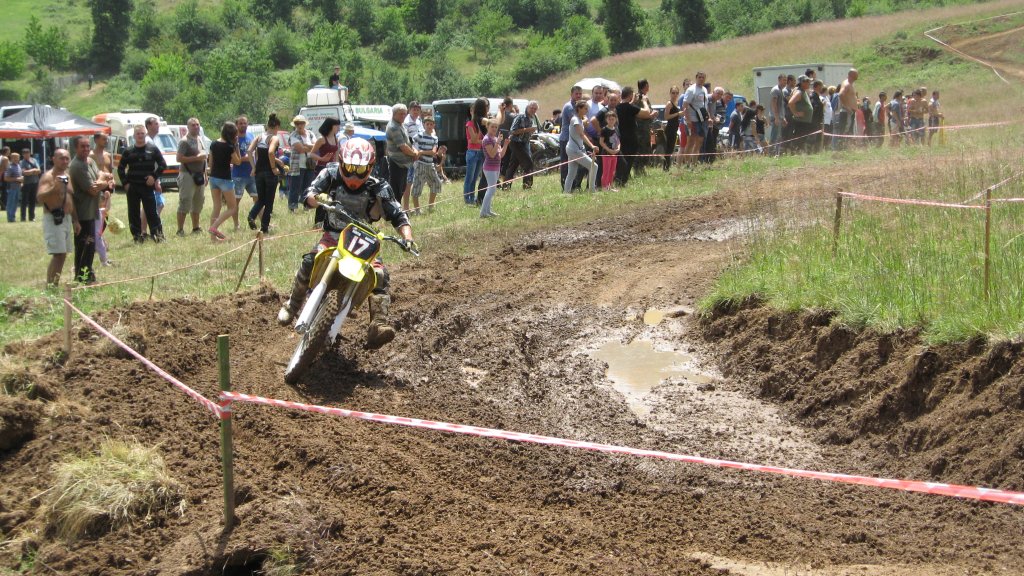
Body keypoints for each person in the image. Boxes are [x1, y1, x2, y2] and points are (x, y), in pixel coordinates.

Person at [277, 138, 416, 349]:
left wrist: (407, 237)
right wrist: (318, 198)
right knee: (309, 261)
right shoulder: (330, 173)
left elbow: (398, 215)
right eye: (349, 168)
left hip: (364, 240)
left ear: (370, 167)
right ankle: (293, 304)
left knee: (380, 275)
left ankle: (378, 324)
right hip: (333, 236)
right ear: (342, 162)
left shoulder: (379, 186)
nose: (353, 175)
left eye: (359, 170)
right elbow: (308, 194)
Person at [69, 136, 112, 282]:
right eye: (82, 146)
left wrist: (100, 180)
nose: (86, 149)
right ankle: (83, 276)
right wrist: (104, 182)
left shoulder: (89, 161)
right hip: (82, 213)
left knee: (89, 244)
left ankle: (85, 273)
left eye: (88, 146)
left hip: (92, 210)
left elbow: (100, 174)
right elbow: (92, 190)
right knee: (85, 244)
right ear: (76, 148)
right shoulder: (77, 166)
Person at [118, 124, 167, 243]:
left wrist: (154, 177)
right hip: (133, 186)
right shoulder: (128, 151)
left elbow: (162, 164)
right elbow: (120, 168)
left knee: (152, 212)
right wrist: (125, 183)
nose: (140, 136)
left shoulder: (152, 149)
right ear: (134, 136)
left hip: (147, 187)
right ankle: (137, 236)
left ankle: (158, 236)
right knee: (133, 212)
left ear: (145, 134)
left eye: (142, 133)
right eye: (138, 134)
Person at [37, 149, 75, 287]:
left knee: (62, 254)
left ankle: (54, 284)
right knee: (58, 254)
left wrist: (76, 221)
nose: (65, 161)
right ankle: (50, 286)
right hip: (54, 219)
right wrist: (54, 188)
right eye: (61, 158)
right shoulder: (48, 177)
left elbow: (70, 198)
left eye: (67, 158)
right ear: (53, 159)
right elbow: (40, 198)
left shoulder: (67, 176)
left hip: (67, 218)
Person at [246, 114, 282, 234]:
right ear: (276, 126)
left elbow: (249, 151)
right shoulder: (274, 138)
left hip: (259, 171)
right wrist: (274, 168)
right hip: (269, 173)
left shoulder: (259, 137)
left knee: (261, 199)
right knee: (269, 202)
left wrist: (253, 167)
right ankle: (264, 228)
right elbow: (271, 152)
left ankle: (251, 216)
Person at [208, 121, 242, 241]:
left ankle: (213, 238)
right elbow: (238, 161)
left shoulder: (213, 144)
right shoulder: (229, 147)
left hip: (213, 178)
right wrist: (236, 146)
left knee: (216, 207)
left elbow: (210, 163)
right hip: (225, 179)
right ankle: (214, 227)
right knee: (232, 208)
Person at [175, 117, 207, 236]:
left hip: (199, 175)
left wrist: (205, 175)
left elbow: (204, 158)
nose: (196, 127)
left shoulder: (200, 139)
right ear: (188, 127)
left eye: (197, 124)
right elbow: (179, 158)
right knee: (185, 202)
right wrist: (196, 158)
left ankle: (196, 228)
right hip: (187, 175)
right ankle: (180, 230)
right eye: (193, 125)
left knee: (198, 203)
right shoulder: (184, 141)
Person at [385, 103, 419, 213]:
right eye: (401, 114)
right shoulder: (394, 127)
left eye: (405, 114)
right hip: (396, 163)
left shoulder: (401, 125)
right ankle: (395, 213)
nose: (403, 116)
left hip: (403, 164)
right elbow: (403, 147)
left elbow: (407, 142)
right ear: (394, 114)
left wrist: (414, 151)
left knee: (401, 189)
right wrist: (414, 154)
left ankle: (398, 212)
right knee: (396, 191)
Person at [564, 100, 597, 194]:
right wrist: (592, 146)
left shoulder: (578, 119)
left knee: (571, 173)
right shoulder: (575, 120)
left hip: (573, 149)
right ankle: (592, 190)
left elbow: (582, 123)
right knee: (594, 167)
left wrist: (584, 120)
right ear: (579, 109)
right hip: (574, 150)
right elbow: (582, 135)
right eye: (585, 108)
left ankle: (566, 193)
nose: (587, 110)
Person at [504, 100, 538, 190]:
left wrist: (530, 132)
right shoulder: (520, 116)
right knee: (528, 163)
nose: (533, 110)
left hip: (524, 143)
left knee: (513, 165)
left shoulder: (532, 118)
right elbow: (513, 131)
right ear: (527, 107)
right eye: (532, 108)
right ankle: (527, 186)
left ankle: (506, 186)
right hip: (516, 143)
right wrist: (528, 129)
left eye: (535, 109)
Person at [411, 116, 442, 213]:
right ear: (424, 125)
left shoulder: (435, 138)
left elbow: (433, 152)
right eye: (427, 124)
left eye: (431, 124)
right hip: (420, 164)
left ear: (434, 125)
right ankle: (417, 210)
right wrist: (416, 151)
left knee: (436, 183)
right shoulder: (419, 135)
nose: (429, 126)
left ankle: (431, 206)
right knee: (417, 186)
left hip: (430, 164)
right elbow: (412, 144)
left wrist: (421, 152)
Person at [480, 118, 509, 218]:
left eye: (496, 127)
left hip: (496, 167)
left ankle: (488, 211)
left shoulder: (495, 139)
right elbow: (492, 154)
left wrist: (505, 144)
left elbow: (500, 155)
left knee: (492, 190)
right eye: (492, 127)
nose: (494, 129)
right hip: (489, 168)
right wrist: (498, 142)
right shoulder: (487, 139)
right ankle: (483, 212)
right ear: (487, 127)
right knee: (491, 190)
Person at [232, 115, 257, 229]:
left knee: (258, 199)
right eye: (240, 123)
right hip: (238, 175)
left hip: (251, 173)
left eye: (245, 123)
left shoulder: (251, 136)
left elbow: (254, 153)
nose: (243, 125)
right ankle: (236, 224)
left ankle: (262, 221)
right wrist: (245, 158)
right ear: (236, 125)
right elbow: (233, 159)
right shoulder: (233, 139)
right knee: (236, 201)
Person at [286, 115, 314, 212]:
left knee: (308, 187)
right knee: (295, 187)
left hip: (309, 165)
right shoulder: (293, 135)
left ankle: (306, 206)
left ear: (305, 124)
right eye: (297, 123)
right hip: (297, 166)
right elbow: (300, 149)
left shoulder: (310, 134)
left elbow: (316, 146)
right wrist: (310, 147)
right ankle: (292, 207)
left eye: (301, 123)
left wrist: (306, 145)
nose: (299, 125)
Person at [681, 72, 709, 167]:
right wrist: (688, 120)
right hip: (692, 120)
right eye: (699, 77)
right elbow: (685, 105)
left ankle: (694, 163)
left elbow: (705, 105)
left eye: (703, 77)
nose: (701, 79)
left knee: (699, 142)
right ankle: (687, 164)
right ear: (696, 78)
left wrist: (708, 117)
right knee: (690, 142)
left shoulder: (704, 89)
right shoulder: (691, 90)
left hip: (702, 120)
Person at [559, 85, 584, 189]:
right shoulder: (569, 107)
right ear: (571, 94)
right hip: (566, 139)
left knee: (574, 164)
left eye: (580, 94)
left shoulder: (578, 106)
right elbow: (576, 122)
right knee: (566, 163)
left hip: (574, 139)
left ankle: (573, 186)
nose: (578, 96)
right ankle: (565, 186)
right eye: (576, 94)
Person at [463, 98, 487, 205]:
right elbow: (473, 140)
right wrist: (482, 139)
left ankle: (472, 198)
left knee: (475, 178)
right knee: (470, 177)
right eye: (472, 110)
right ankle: (467, 199)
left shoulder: (480, 124)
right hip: (472, 152)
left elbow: (479, 140)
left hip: (480, 152)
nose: (473, 112)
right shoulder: (469, 124)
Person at [401, 101, 424, 210]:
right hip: (410, 155)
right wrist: (413, 152)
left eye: (418, 110)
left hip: (419, 155)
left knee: (417, 181)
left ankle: (416, 206)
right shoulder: (406, 122)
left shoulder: (419, 121)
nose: (416, 111)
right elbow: (406, 140)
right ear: (409, 110)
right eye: (414, 109)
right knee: (408, 182)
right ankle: (406, 208)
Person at [787, 76, 814, 154]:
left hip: (804, 122)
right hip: (801, 122)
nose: (809, 83)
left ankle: (799, 153)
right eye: (807, 82)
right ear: (802, 83)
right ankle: (795, 153)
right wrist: (795, 113)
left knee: (802, 140)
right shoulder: (799, 92)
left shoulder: (803, 91)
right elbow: (790, 103)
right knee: (799, 139)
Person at [599, 109, 620, 190]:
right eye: (609, 119)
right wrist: (609, 150)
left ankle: (610, 186)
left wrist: (618, 148)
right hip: (606, 153)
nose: (611, 121)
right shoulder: (604, 129)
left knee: (612, 171)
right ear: (606, 119)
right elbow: (601, 142)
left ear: (616, 119)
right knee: (606, 171)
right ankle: (604, 187)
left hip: (615, 153)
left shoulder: (616, 129)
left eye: (613, 119)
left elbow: (618, 140)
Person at [663, 86, 682, 170]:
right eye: (673, 93)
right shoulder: (669, 103)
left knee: (671, 149)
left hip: (675, 128)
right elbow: (666, 116)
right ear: (670, 93)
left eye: (676, 93)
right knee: (668, 149)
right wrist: (677, 114)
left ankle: (667, 166)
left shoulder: (676, 103)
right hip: (670, 128)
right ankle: (666, 167)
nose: (675, 95)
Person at [18, 149, 40, 222]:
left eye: (28, 153)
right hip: (26, 184)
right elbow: (24, 172)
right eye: (25, 153)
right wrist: (34, 170)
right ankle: (23, 217)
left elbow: (39, 170)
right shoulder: (22, 162)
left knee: (32, 201)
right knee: (24, 201)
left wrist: (31, 171)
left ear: (30, 153)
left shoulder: (34, 160)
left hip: (34, 183)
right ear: (23, 154)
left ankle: (32, 217)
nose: (26, 154)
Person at [4, 152, 23, 223]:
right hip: (11, 188)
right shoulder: (10, 167)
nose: (17, 159)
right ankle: (10, 218)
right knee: (10, 203)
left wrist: (21, 182)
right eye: (15, 158)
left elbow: (20, 176)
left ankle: (13, 217)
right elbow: (6, 178)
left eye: (18, 158)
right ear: (11, 158)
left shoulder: (18, 166)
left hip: (18, 188)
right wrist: (17, 179)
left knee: (15, 203)